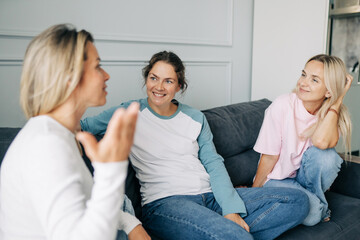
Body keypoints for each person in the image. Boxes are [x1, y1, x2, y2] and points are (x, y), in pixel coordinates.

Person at [81, 50, 310, 240]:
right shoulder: (129, 111)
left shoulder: (195, 117)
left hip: (209, 196)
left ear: (179, 85)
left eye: (168, 80)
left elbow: (213, 164)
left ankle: (224, 231)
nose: (159, 86)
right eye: (153, 78)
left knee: (298, 201)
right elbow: (81, 126)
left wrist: (230, 208)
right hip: (166, 203)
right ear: (146, 79)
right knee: (234, 236)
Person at [0, 24, 151, 240]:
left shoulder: (61, 135)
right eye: (98, 67)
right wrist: (111, 169)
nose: (106, 75)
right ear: (69, 77)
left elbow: (84, 207)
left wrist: (130, 223)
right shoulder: (45, 144)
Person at [252, 54, 353, 226]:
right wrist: (254, 194)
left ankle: (313, 202)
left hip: (303, 178)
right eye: (304, 74)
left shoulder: (331, 115)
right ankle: (320, 207)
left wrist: (338, 101)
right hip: (276, 179)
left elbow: (321, 143)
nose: (303, 83)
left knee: (328, 156)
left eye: (314, 80)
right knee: (313, 216)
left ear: (329, 91)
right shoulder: (282, 105)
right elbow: (269, 157)